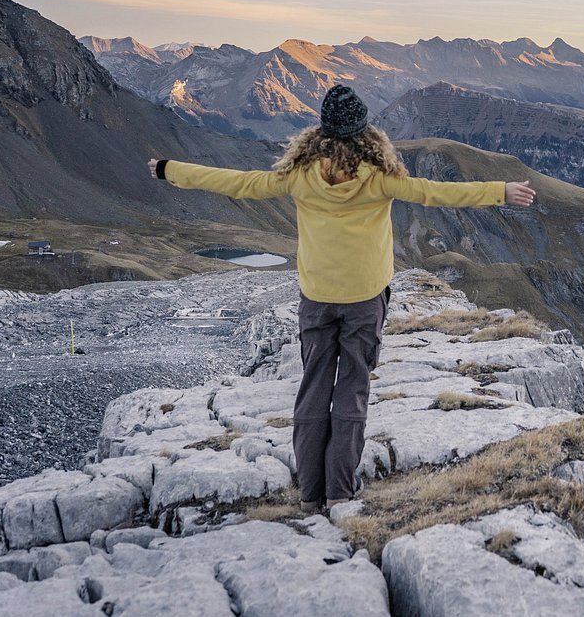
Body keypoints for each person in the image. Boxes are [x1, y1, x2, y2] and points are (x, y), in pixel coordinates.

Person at [148, 84, 535, 513]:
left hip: (317, 296)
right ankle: (339, 491)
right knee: (352, 390)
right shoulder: (380, 177)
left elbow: (238, 183)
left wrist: (170, 169)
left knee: (313, 388)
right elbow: (436, 192)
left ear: (322, 130)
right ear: (365, 131)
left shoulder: (300, 175)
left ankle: (310, 494)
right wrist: (500, 191)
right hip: (365, 297)